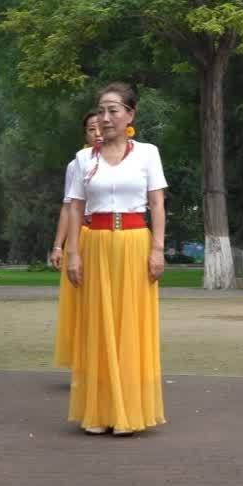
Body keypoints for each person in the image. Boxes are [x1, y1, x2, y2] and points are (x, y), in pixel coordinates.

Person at [64, 82, 167, 435]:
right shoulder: (83, 159)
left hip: (136, 243)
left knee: (131, 326)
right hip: (95, 246)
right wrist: (73, 253)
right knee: (97, 325)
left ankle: (130, 411)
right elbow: (76, 207)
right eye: (102, 111)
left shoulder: (148, 153)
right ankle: (99, 410)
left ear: (130, 114)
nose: (106, 118)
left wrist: (157, 249)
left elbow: (156, 204)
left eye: (114, 110)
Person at [50, 112, 103, 369]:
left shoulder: (128, 157)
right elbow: (68, 207)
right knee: (82, 300)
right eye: (91, 129)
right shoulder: (77, 164)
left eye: (100, 127)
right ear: (85, 135)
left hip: (112, 236)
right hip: (81, 236)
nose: (97, 133)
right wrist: (59, 245)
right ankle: (84, 361)